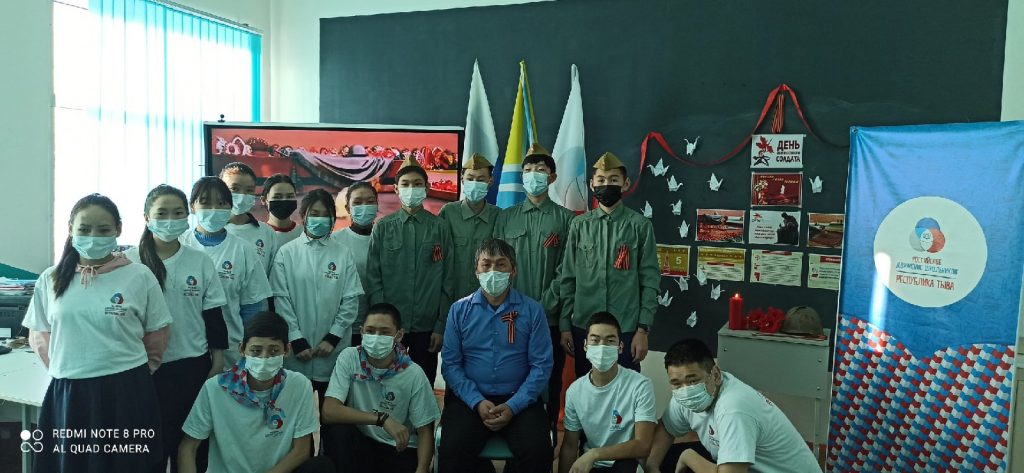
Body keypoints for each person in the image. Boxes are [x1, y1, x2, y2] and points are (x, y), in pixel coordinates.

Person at [22, 193, 172, 472]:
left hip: (127, 390)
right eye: (84, 229)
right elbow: (40, 335)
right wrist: (68, 367)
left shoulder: (139, 276)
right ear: (71, 229)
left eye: (103, 230)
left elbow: (157, 336)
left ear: (118, 229)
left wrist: (134, 373)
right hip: (70, 393)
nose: (93, 237)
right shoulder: (51, 278)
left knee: (127, 464)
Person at [125, 184, 229, 473]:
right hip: (144, 369)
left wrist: (217, 361)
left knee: (192, 447)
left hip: (192, 366)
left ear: (188, 215)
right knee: (151, 449)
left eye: (178, 212)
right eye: (162, 213)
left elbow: (213, 314)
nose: (170, 219)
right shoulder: (129, 262)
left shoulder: (199, 260)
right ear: (146, 217)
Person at [438, 239, 553, 473]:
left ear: (513, 270)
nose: (493, 271)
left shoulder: (532, 311)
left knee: (537, 451)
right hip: (471, 400)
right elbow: (450, 365)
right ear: (476, 270)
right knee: (453, 449)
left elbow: (541, 366)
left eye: (501, 264)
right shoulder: (459, 310)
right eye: (486, 264)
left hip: (520, 398)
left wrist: (513, 406)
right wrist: (476, 401)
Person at [178, 312, 334, 473]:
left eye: (274, 351)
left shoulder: (299, 385)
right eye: (256, 351)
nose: (264, 358)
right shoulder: (214, 389)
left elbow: (301, 451)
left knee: (321, 467)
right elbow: (188, 448)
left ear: (287, 350)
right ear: (242, 349)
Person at [492, 143, 576, 436]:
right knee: (511, 376)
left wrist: (544, 309)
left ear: (552, 177)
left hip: (548, 317)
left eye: (540, 169)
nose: (533, 175)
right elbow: (497, 266)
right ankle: (512, 434)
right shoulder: (506, 217)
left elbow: (567, 271)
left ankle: (547, 434)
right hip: (510, 316)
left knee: (549, 381)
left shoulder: (566, 220)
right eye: (527, 169)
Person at [271, 188, 363, 447]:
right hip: (296, 353)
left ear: (333, 218)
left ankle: (331, 462)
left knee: (334, 421)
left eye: (325, 214)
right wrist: (296, 339)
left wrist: (332, 338)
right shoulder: (286, 253)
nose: (319, 219)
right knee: (295, 421)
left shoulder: (342, 253)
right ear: (303, 217)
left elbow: (350, 300)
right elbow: (281, 300)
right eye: (314, 214)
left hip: (332, 351)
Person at [644, 339, 822, 473]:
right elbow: (668, 428)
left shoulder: (734, 407)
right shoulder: (683, 395)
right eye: (676, 383)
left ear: (715, 374)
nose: (686, 390)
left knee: (687, 457)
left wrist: (689, 457)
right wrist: (651, 466)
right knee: (664, 458)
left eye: (693, 380)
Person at [560, 152, 658, 376]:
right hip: (585, 327)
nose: (607, 185)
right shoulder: (579, 225)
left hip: (626, 328)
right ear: (591, 184)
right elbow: (568, 277)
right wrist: (565, 325)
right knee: (586, 386)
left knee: (626, 388)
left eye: (614, 180)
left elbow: (650, 281)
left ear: (625, 184)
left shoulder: (640, 226)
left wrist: (643, 330)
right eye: (601, 180)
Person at [366, 156, 454, 386]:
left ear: (426, 188)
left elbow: (448, 279)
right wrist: (383, 326)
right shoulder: (383, 227)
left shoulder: (440, 227)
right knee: (389, 387)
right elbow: (374, 279)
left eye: (417, 184)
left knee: (423, 386)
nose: (411, 189)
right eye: (405, 184)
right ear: (396, 189)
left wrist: (440, 326)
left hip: (428, 328)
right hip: (393, 328)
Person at [321, 303, 440, 473]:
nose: (376, 338)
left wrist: (422, 469)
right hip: (363, 443)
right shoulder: (350, 357)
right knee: (338, 433)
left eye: (384, 332)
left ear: (399, 335)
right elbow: (329, 412)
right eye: (370, 331)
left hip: (398, 449)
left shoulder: (413, 373)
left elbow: (425, 431)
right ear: (362, 332)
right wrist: (382, 419)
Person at [181, 177, 272, 365]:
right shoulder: (180, 245)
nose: (214, 209)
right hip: (184, 349)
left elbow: (252, 307)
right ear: (192, 207)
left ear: (230, 207)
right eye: (205, 203)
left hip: (231, 349)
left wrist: (249, 348)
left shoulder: (243, 250)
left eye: (221, 203)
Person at [560, 312, 656, 473]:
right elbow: (570, 445)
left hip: (625, 464)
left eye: (610, 341)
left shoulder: (640, 385)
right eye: (595, 340)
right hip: (592, 465)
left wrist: (595, 454)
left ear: (620, 347)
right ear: (585, 345)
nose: (602, 347)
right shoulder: (575, 391)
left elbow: (643, 446)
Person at [439, 153, 500, 299]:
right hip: (451, 296)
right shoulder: (448, 212)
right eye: (470, 179)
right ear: (462, 180)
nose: (475, 183)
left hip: (486, 297)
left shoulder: (498, 216)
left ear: (490, 181)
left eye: (481, 179)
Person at [332, 181, 379, 345]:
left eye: (370, 201)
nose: (364, 207)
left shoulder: (387, 238)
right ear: (347, 208)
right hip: (344, 327)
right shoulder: (335, 241)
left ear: (377, 205)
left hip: (379, 327)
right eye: (357, 202)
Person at [220, 161, 278, 276]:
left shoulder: (266, 233)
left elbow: (273, 274)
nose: (242, 196)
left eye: (249, 190)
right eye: (234, 189)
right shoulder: (213, 231)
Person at [262, 173, 305, 249]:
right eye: (277, 197)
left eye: (290, 196)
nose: (284, 200)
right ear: (264, 200)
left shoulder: (304, 235)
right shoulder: (258, 235)